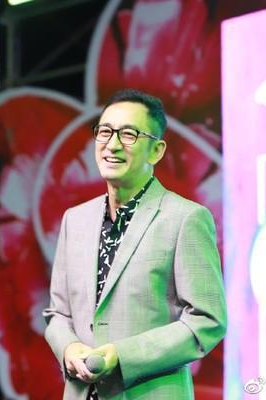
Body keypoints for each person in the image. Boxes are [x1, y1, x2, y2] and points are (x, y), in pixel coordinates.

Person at [43, 88, 227, 399]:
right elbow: (58, 314)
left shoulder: (185, 218)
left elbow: (207, 321)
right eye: (105, 132)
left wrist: (123, 356)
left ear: (156, 150)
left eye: (129, 134)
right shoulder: (74, 220)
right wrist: (69, 347)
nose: (112, 144)